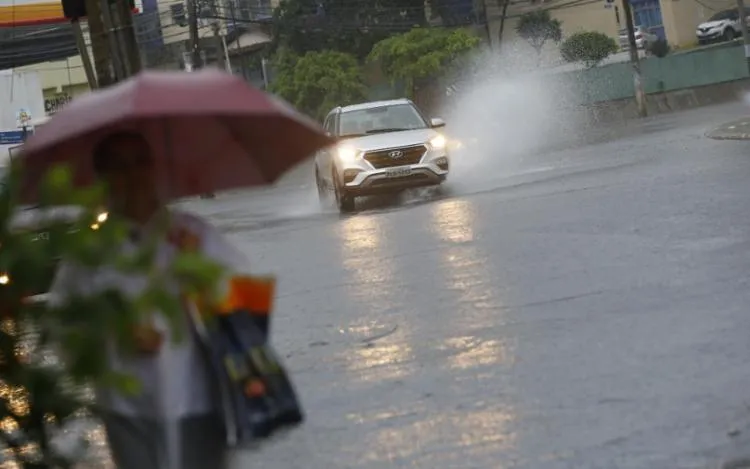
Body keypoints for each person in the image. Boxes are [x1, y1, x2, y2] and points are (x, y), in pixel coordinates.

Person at [49, 131, 249, 469]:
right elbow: (62, 329)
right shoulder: (89, 255)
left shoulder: (192, 234)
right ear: (102, 177)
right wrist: (114, 333)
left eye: (141, 163)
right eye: (120, 167)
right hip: (126, 408)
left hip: (195, 397)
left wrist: (200, 279)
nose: (133, 176)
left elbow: (246, 304)